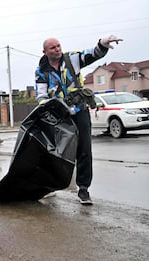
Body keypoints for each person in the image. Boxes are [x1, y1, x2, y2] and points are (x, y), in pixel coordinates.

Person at [35, 35, 122, 204]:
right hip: (59, 114)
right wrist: (47, 108)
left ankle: (83, 189)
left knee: (84, 149)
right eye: (52, 47)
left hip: (80, 109)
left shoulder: (71, 58)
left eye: (58, 45)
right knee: (56, 151)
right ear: (45, 52)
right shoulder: (41, 70)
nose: (57, 49)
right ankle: (50, 186)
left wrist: (102, 44)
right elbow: (42, 95)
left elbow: (92, 54)